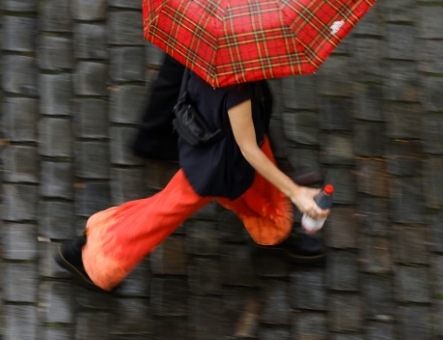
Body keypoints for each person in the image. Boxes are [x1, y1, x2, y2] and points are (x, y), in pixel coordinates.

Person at [55, 55, 330, 292]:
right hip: (219, 160)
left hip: (212, 135)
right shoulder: (236, 84)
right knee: (167, 209)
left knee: (259, 187)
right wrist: (297, 193)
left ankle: (272, 232)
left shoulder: (204, 46)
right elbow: (247, 149)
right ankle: (95, 258)